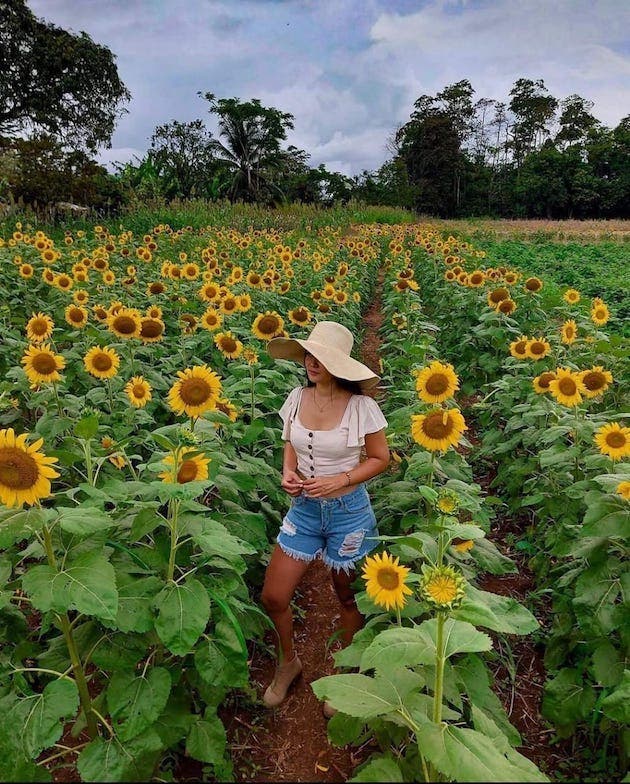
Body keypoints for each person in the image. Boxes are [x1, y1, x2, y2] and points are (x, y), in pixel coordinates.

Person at [260, 321, 389, 714]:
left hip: (348, 513)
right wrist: (288, 473)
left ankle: (348, 676)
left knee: (348, 597)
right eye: (309, 354)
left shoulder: (362, 407)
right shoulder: (296, 398)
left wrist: (340, 480)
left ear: (341, 365)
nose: (312, 362)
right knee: (274, 596)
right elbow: (290, 444)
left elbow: (381, 459)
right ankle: (288, 664)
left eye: (323, 358)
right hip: (304, 510)